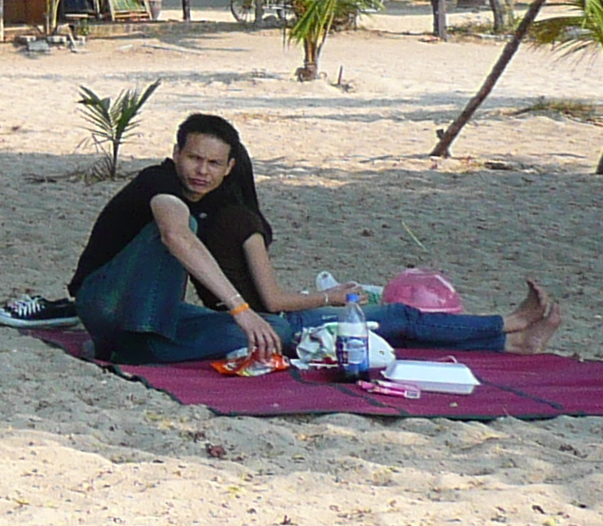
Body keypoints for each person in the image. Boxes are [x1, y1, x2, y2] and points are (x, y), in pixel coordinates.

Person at [70, 112, 563, 365]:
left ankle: (510, 339)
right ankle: (509, 326)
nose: (201, 170)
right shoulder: (157, 185)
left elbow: (267, 301)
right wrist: (243, 310)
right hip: (108, 304)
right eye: (194, 159)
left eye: (214, 163)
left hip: (157, 322)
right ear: (176, 154)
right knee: (182, 233)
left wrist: (254, 316)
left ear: (230, 169)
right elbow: (176, 236)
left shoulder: (228, 211)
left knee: (282, 335)